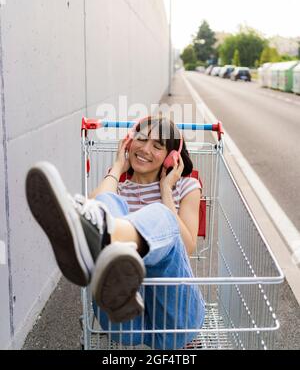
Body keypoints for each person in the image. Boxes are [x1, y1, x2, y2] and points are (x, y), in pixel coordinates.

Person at [26, 115, 205, 349]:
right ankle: (105, 239)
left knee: (161, 215)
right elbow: (88, 214)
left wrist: (166, 191)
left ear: (171, 158)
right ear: (128, 142)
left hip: (174, 318)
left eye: (157, 146)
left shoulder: (185, 187)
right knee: (106, 203)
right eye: (140, 139)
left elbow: (188, 245)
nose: (145, 149)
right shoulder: (117, 191)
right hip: (126, 323)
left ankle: (107, 237)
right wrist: (117, 167)